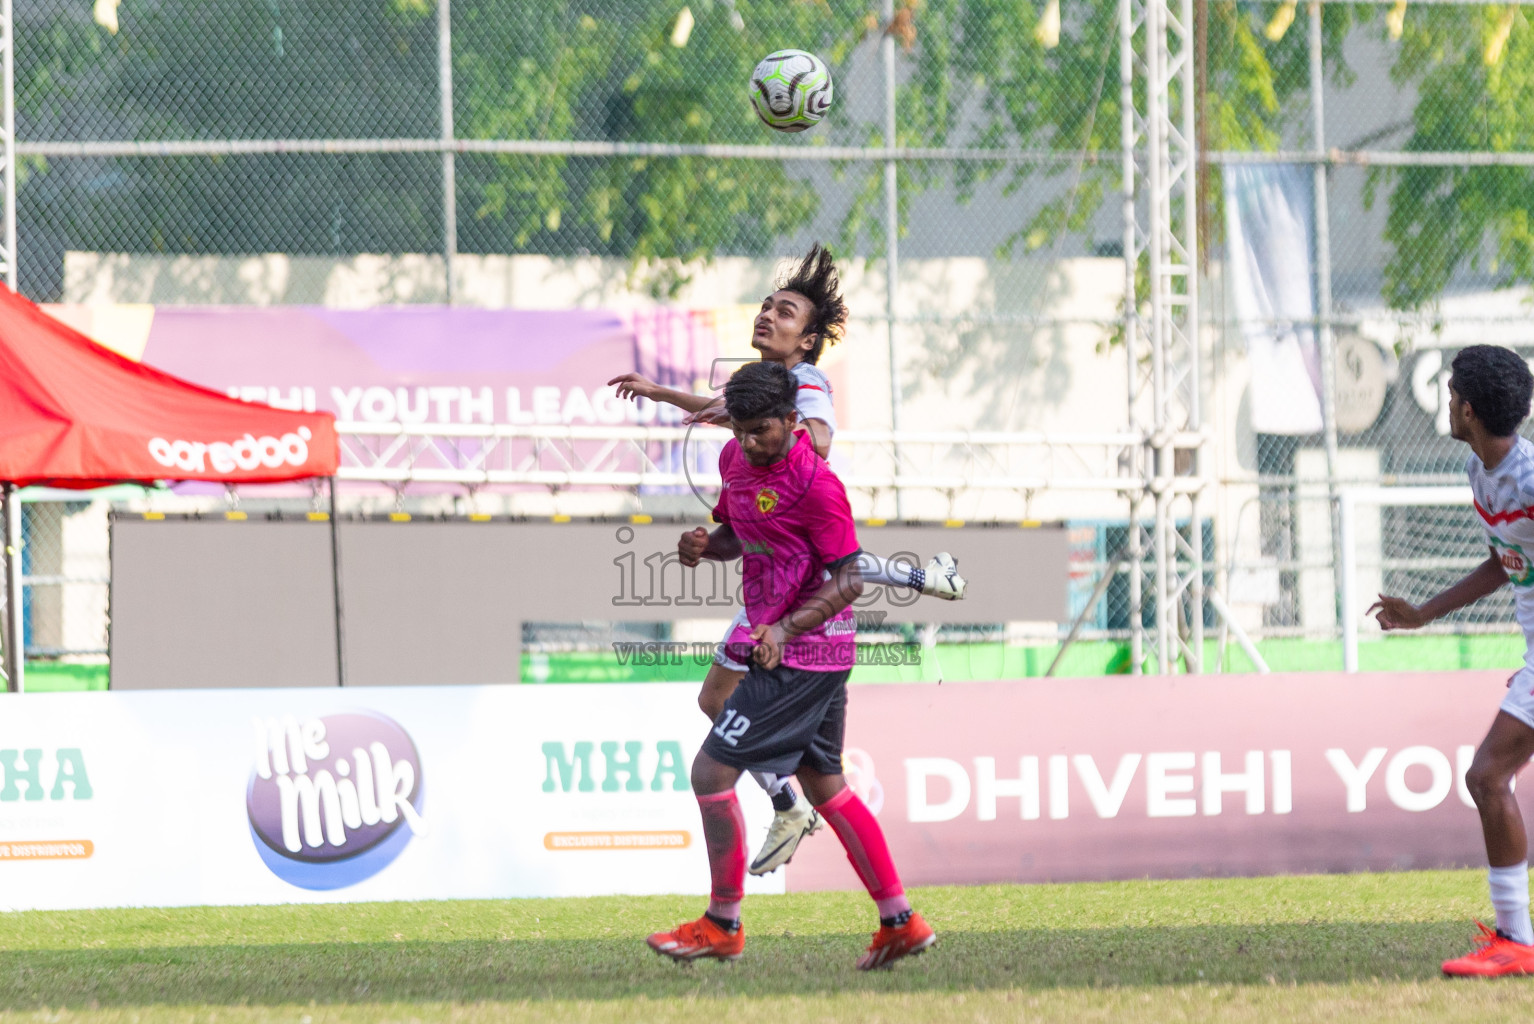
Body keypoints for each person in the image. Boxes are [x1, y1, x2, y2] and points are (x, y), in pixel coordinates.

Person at [607, 244, 965, 876]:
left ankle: (746, 885)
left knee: (829, 575)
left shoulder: (804, 385)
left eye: (786, 311)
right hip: (771, 571)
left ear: (809, 339)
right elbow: (723, 414)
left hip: (798, 583)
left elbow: (821, 435)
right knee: (717, 701)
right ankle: (802, 819)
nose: (768, 315)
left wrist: (796, 440)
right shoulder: (759, 396)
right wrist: (663, 395)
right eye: (767, 305)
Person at [646, 359, 935, 969]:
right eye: (741, 432)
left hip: (806, 651)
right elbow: (742, 535)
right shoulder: (735, 460)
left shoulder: (818, 486)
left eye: (762, 433)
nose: (749, 445)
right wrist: (704, 547)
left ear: (791, 420)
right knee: (826, 787)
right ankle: (900, 921)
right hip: (792, 646)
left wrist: (784, 626)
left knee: (709, 774)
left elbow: (851, 576)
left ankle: (723, 921)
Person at [1369, 344, 1534, 977]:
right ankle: (1514, 937)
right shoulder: (1482, 474)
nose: (1444, 401)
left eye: (1449, 393)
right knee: (1490, 777)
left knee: (1488, 775)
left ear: (1467, 409)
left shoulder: (1526, 477)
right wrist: (1425, 614)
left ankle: (1516, 941)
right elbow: (1503, 560)